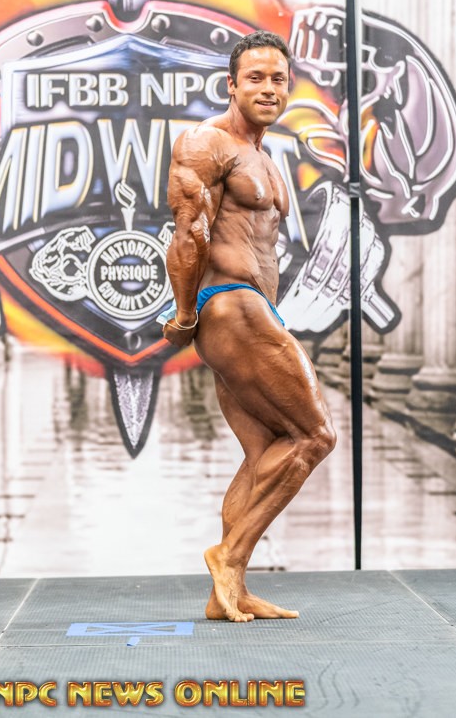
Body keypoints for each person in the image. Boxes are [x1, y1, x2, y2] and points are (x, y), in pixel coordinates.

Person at [162, 31, 336, 622]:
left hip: (254, 308)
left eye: (278, 79)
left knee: (266, 449)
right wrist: (185, 315)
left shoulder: (264, 155)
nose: (268, 89)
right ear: (231, 85)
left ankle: (227, 593)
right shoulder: (206, 142)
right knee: (315, 436)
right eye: (255, 78)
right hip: (231, 305)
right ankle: (229, 556)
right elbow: (189, 232)